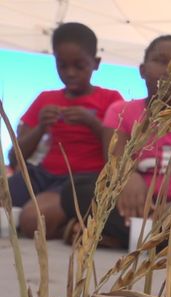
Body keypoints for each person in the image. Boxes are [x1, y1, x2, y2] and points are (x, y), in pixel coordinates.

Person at [61, 34, 171, 248]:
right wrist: (128, 177)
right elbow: (115, 162)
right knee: (76, 190)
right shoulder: (121, 111)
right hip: (130, 204)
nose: (170, 70)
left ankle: (120, 236)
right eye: (161, 61)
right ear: (142, 70)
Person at [6, 22, 123, 239]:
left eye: (79, 66)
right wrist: (41, 127)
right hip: (41, 175)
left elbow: (121, 153)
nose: (70, 73)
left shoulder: (111, 100)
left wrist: (93, 123)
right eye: (62, 66)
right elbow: (15, 159)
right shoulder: (45, 99)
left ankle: (71, 224)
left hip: (83, 180)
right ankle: (73, 224)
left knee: (33, 220)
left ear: (95, 64)